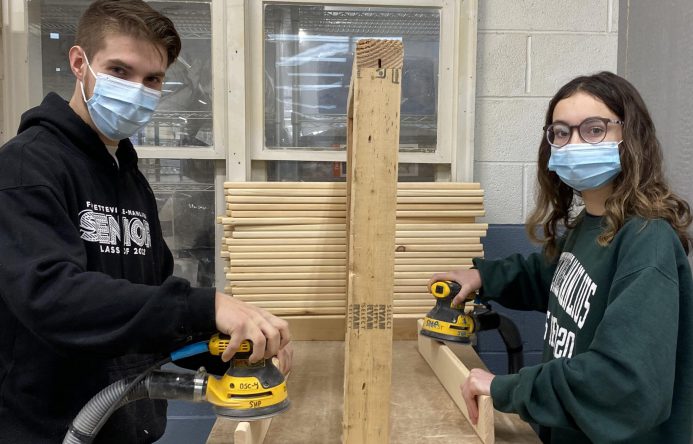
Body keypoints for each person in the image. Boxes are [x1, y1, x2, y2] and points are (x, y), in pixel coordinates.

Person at [0, 1, 292, 442]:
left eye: (152, 78)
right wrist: (206, 304)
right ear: (79, 63)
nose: (137, 89)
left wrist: (229, 348)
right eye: (119, 70)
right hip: (48, 429)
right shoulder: (26, 167)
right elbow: (53, 297)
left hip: (126, 425)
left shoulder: (129, 177)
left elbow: (148, 303)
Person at [431, 71, 692, 443]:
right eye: (561, 132)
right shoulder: (596, 223)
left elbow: (623, 382)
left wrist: (508, 388)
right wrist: (485, 278)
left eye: (594, 129)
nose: (574, 143)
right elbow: (554, 277)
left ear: (630, 137)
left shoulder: (646, 242)